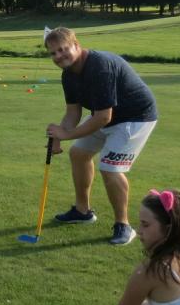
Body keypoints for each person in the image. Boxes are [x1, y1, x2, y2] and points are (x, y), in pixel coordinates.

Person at [44, 27, 158, 245]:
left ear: (76, 45)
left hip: (136, 117)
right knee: (78, 153)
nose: (58, 56)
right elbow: (73, 112)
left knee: (110, 167)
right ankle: (82, 211)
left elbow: (103, 117)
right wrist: (59, 134)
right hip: (108, 116)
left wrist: (66, 134)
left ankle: (123, 225)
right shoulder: (68, 74)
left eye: (63, 49)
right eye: (53, 53)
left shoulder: (99, 66)